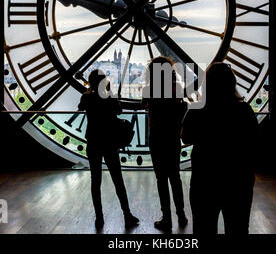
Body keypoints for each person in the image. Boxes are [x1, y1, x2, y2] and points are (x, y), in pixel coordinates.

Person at [182, 62, 258, 234]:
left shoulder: (197, 111)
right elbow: (253, 143)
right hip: (238, 180)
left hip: (204, 180)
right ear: (232, 83)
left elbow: (186, 137)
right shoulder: (244, 110)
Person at [78, 69, 139, 229]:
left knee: (95, 181)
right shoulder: (110, 98)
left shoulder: (87, 98)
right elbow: (119, 110)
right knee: (118, 180)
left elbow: (81, 106)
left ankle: (99, 217)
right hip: (110, 143)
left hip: (93, 142)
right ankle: (127, 214)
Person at [142, 56, 188, 231]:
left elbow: (144, 105)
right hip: (173, 137)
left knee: (161, 179)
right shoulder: (177, 89)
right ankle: (181, 214)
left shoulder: (149, 89)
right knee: (174, 177)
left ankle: (166, 217)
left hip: (157, 137)